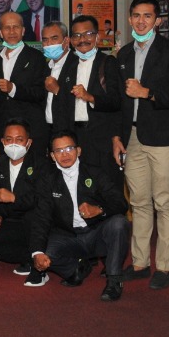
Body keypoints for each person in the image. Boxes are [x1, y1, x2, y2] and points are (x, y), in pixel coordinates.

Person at [112, 0, 169, 290]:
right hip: (131, 137)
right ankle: (140, 263)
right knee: (139, 202)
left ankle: (164, 266)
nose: (140, 21)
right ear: (130, 19)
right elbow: (120, 102)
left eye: (147, 16)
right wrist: (117, 137)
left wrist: (147, 93)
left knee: (164, 202)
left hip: (162, 137)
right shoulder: (123, 54)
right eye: (136, 15)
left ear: (158, 20)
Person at [27, 129, 131, 302]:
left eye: (69, 148)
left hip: (97, 234)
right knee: (42, 252)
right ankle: (76, 268)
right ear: (52, 156)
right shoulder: (47, 179)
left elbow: (121, 203)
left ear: (79, 150)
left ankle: (114, 280)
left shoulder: (95, 172)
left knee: (119, 223)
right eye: (59, 150)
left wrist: (99, 209)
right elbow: (41, 217)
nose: (65, 154)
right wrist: (37, 252)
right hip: (69, 236)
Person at [50, 14, 122, 186]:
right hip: (75, 138)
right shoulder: (68, 66)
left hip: (101, 139)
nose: (82, 40)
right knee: (80, 187)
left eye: (88, 34)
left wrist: (90, 97)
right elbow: (62, 106)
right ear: (70, 40)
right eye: (77, 35)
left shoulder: (108, 62)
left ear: (97, 37)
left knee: (106, 186)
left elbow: (116, 102)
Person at [0, 119, 40, 279]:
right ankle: (29, 257)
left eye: (19, 139)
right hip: (11, 220)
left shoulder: (40, 164)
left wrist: (14, 198)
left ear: (28, 142)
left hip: (35, 222)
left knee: (32, 222)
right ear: (3, 142)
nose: (14, 144)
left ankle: (36, 258)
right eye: (9, 139)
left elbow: (42, 200)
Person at [0, 10, 50, 154]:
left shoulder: (36, 57)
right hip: (4, 131)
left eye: (16, 27)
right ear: (0, 33)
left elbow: (40, 93)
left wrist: (13, 89)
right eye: (7, 28)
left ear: (23, 31)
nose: (12, 31)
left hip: (32, 130)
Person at [40, 21, 72, 135]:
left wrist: (57, 91)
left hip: (70, 130)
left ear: (66, 41)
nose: (49, 44)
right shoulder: (44, 67)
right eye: (45, 40)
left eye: (54, 38)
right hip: (48, 130)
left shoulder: (77, 64)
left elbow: (81, 102)